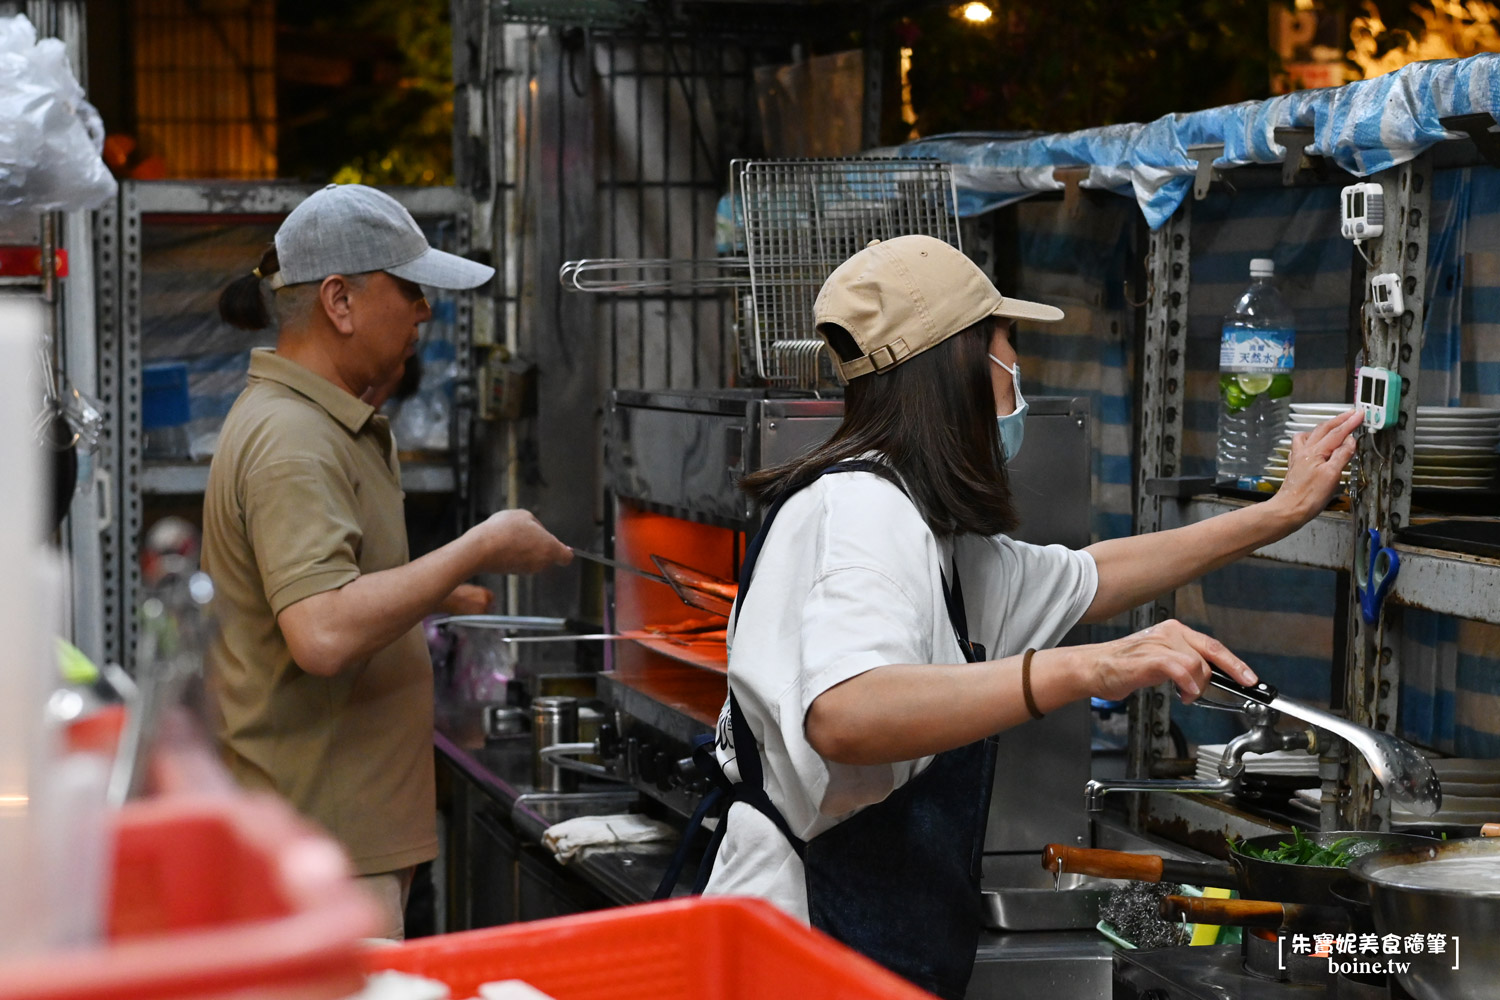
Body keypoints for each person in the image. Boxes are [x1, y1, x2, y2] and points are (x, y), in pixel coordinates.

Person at [700, 235, 1361, 998]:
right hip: (800, 948)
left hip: (868, 938)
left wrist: (1276, 517)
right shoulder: (860, 510)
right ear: (964, 368)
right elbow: (848, 714)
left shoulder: (929, 529)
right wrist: (1092, 667)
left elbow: (1090, 576)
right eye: (1010, 353)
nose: (1021, 379)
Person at [203, 184, 572, 939]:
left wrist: (432, 595)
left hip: (333, 842)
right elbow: (322, 633)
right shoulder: (294, 438)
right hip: (320, 856)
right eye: (410, 290)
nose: (424, 313)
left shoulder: (333, 423)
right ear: (339, 302)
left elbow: (330, 595)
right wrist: (483, 543)